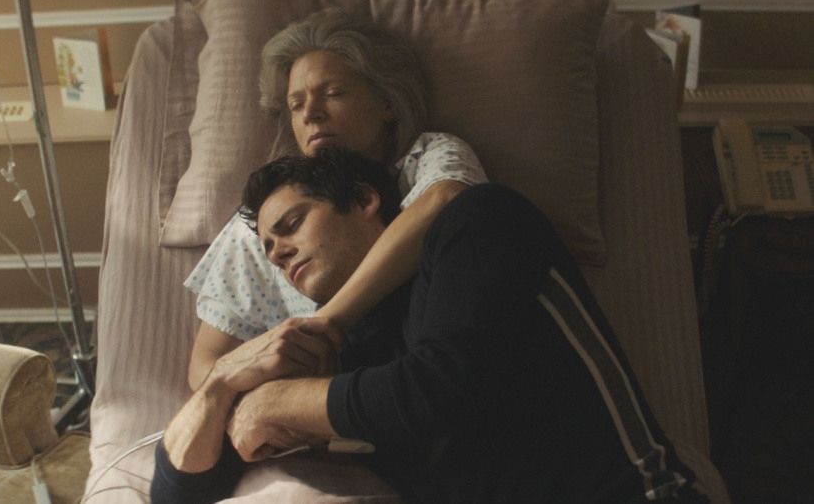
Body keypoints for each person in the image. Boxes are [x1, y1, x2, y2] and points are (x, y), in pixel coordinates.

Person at [153, 148, 709, 504]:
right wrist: (223, 383)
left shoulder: (480, 224)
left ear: (365, 200)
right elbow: (178, 492)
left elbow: (435, 389)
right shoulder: (346, 359)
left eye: (292, 224)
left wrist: (277, 403)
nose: (279, 254)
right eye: (270, 252)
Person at [184, 8, 488, 390]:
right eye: (296, 105)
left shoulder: (424, 159)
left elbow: (448, 200)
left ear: (387, 102)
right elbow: (205, 368)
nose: (311, 114)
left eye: (333, 93)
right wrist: (276, 380)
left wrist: (326, 322)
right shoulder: (262, 221)